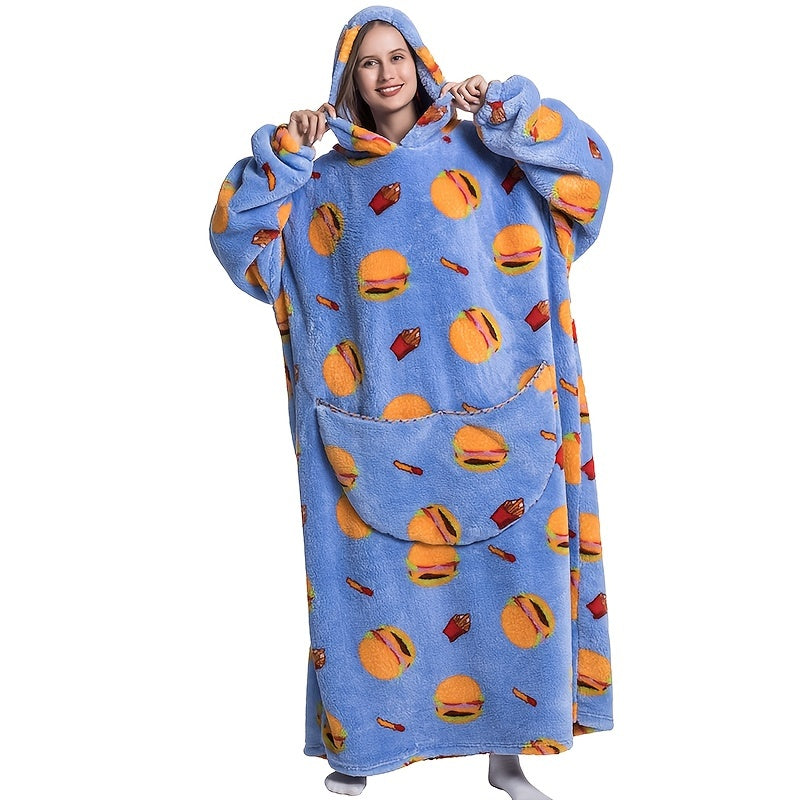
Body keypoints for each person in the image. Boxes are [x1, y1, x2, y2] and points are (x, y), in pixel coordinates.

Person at [209, 5, 613, 798]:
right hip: (372, 433)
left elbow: (588, 180)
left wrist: (510, 114)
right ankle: (360, 750)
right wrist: (284, 157)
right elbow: (237, 241)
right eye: (368, 62)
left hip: (504, 418)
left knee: (512, 585)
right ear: (348, 78)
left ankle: (508, 759)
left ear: (422, 62)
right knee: (369, 590)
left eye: (397, 56)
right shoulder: (321, 183)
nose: (386, 73)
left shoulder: (488, 156)